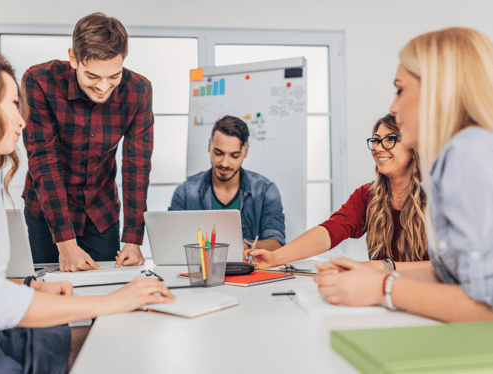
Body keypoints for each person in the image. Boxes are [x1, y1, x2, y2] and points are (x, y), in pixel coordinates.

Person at [0, 52, 174, 374]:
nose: (22, 120)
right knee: (104, 340)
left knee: (90, 340)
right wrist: (113, 301)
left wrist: (29, 285)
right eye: (14, 104)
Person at [314, 27, 493, 323]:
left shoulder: (467, 151)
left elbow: (485, 307)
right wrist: (377, 270)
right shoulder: (462, 153)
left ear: (439, 89)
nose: (393, 108)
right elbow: (454, 275)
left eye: (400, 89)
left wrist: (382, 288)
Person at [22, 12, 152, 271]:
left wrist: (133, 238)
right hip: (46, 214)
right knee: (49, 293)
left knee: (105, 292)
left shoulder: (138, 90)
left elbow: (137, 165)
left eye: (113, 76)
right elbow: (44, 162)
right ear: (73, 58)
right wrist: (65, 242)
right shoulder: (39, 81)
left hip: (100, 212)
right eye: (93, 76)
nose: (104, 87)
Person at [244, 114, 429, 270]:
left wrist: (385, 266)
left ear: (413, 146)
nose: (378, 148)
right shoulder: (367, 195)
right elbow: (329, 231)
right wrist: (276, 258)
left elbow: (446, 268)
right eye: (376, 140)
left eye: (390, 139)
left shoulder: (437, 195)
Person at [169, 115, 286, 251]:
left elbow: (277, 243)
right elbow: (171, 241)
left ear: (245, 151)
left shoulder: (266, 191)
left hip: (248, 269)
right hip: (200, 269)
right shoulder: (185, 192)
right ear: (209, 146)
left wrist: (247, 246)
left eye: (234, 156)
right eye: (218, 153)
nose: (225, 163)